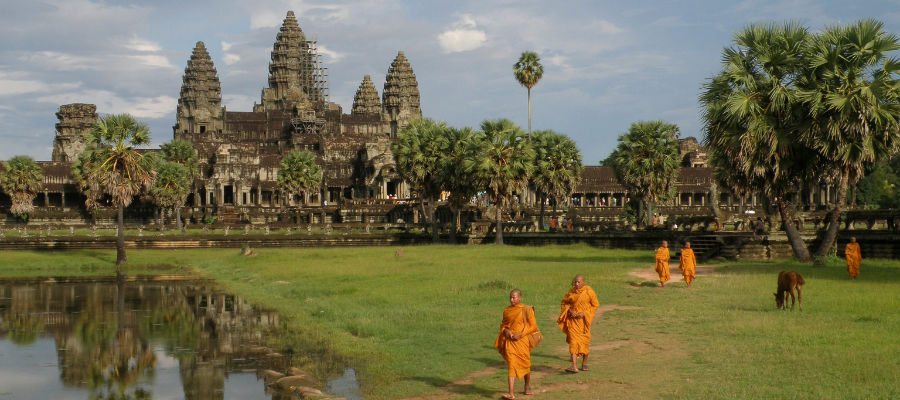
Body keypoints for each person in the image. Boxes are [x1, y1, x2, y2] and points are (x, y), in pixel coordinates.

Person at [495, 289, 537, 399]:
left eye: (514, 297)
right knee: (512, 365)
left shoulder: (527, 310)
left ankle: (527, 385)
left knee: (525, 364)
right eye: (510, 297)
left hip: (522, 341)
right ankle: (511, 393)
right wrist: (506, 331)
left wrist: (521, 334)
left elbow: (533, 327)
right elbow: (503, 325)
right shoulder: (507, 310)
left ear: (520, 298)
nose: (511, 300)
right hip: (510, 342)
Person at [557, 275, 599, 373]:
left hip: (584, 322)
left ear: (583, 282)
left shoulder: (589, 292)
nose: (576, 284)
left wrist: (584, 313)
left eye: (578, 282)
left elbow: (595, 305)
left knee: (584, 342)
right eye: (575, 282)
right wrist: (569, 310)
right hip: (573, 322)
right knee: (573, 342)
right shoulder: (570, 292)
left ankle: (584, 363)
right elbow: (564, 303)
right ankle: (574, 366)